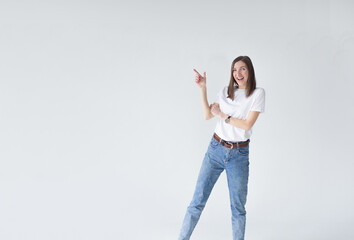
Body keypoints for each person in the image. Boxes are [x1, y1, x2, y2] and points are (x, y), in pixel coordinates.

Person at [178, 56, 265, 240]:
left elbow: (247, 125)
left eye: (242, 69)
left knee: (238, 209)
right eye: (234, 70)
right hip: (215, 150)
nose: (238, 73)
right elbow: (207, 115)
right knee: (197, 202)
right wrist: (203, 89)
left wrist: (224, 116)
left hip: (239, 155)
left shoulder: (257, 94)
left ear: (249, 71)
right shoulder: (226, 91)